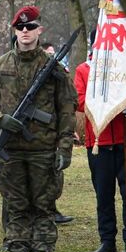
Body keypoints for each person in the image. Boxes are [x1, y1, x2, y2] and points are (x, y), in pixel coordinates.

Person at [0, 6, 77, 252]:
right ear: (15, 31)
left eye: (31, 27)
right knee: (15, 206)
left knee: (43, 207)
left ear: (39, 30)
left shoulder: (53, 69)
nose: (26, 32)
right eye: (21, 28)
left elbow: (67, 108)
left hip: (44, 150)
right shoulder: (0, 65)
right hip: (12, 152)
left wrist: (64, 148)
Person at [74, 30, 126, 252]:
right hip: (100, 140)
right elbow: (79, 101)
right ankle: (107, 241)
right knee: (103, 194)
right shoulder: (84, 70)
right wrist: (107, 100)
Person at [42, 41, 75, 224]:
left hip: (54, 130)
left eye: (53, 53)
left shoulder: (59, 74)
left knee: (55, 175)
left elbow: (68, 102)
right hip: (38, 133)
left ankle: (52, 209)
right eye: (49, 53)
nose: (53, 56)